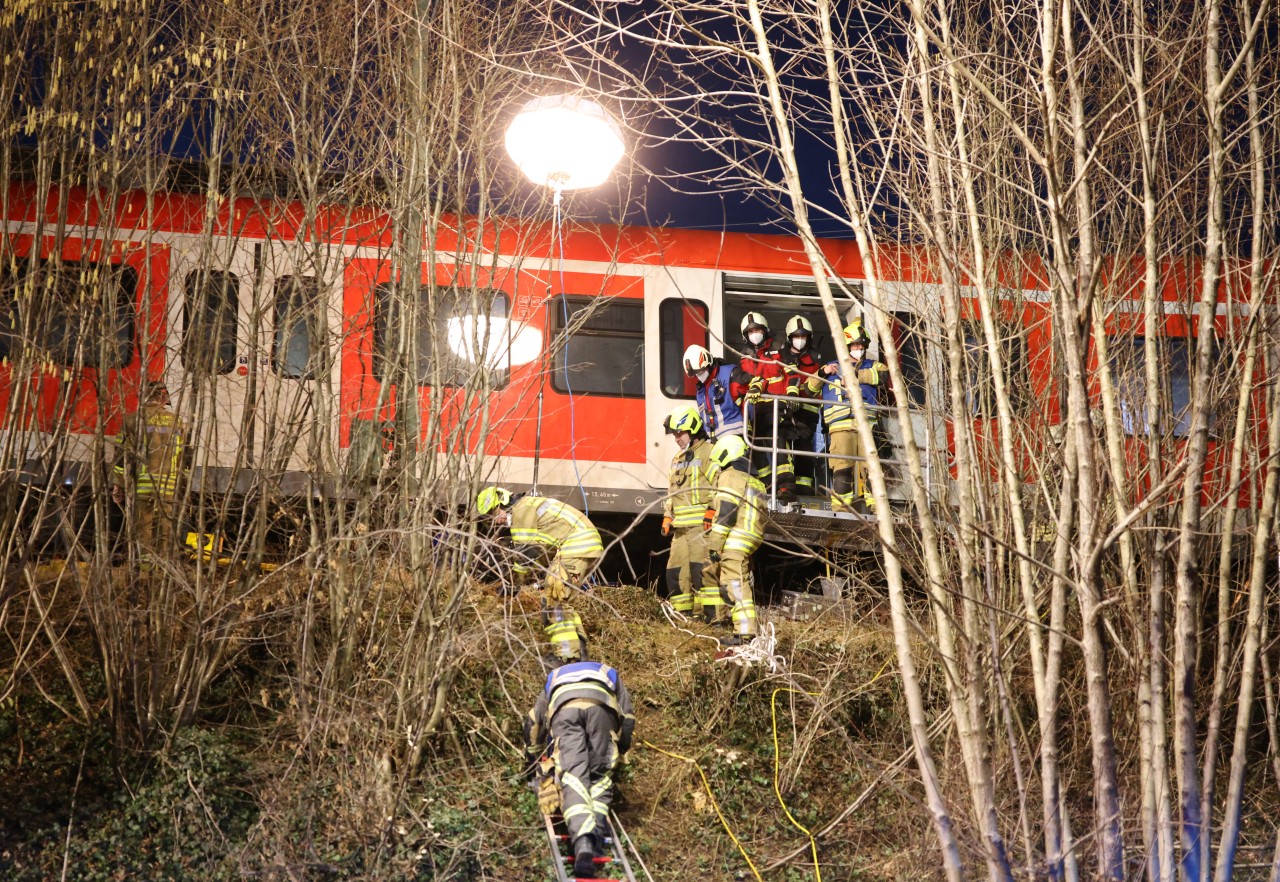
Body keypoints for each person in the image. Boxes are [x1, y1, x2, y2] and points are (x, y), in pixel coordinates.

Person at [525, 659, 635, 879]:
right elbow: (628, 716)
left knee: (574, 776)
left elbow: (535, 721)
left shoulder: (554, 676)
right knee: (599, 775)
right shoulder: (607, 671)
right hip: (602, 712)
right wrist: (620, 747)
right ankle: (596, 835)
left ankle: (583, 843)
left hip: (565, 713)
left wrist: (532, 758)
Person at [476, 487, 603, 663]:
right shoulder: (528, 506)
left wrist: (513, 584)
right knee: (563, 602)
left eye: (493, 513)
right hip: (584, 545)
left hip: (576, 546)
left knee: (553, 601)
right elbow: (540, 550)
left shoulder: (521, 512)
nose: (494, 521)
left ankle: (565, 656)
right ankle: (579, 653)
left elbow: (526, 554)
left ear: (502, 504)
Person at [808, 320, 887, 513]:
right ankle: (841, 509)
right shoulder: (831, 367)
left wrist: (855, 376)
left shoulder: (873, 365)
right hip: (839, 427)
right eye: (854, 345)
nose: (858, 348)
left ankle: (877, 508)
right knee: (842, 468)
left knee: (871, 469)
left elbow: (884, 376)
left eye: (861, 345)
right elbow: (809, 389)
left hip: (867, 426)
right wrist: (822, 372)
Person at [702, 433, 767, 646]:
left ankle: (745, 633)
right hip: (752, 536)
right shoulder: (755, 480)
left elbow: (726, 513)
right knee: (735, 580)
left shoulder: (730, 476)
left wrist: (714, 545)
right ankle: (741, 625)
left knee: (735, 582)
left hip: (736, 537)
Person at [111, 383, 186, 559]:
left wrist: (118, 485)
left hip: (143, 487)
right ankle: (160, 572)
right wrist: (182, 487)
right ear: (163, 398)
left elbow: (121, 456)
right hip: (169, 488)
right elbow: (184, 457)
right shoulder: (177, 422)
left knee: (142, 531)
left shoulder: (132, 420)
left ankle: (143, 571)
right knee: (164, 532)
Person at [660, 404, 715, 620]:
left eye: (679, 433)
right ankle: (681, 615)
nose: (676, 438)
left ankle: (703, 617)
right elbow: (672, 491)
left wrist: (711, 510)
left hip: (701, 527)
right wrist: (667, 515)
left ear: (692, 429)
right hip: (680, 529)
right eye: (674, 434)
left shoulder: (709, 453)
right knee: (675, 572)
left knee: (699, 572)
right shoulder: (678, 459)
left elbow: (719, 485)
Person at [736, 313, 796, 503]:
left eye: (758, 330)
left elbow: (793, 373)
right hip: (755, 410)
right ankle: (766, 487)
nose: (755, 334)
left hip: (776, 405)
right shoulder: (744, 356)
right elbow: (743, 384)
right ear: (746, 335)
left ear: (765, 330)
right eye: (751, 331)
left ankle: (785, 487)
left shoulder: (779, 348)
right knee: (758, 449)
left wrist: (792, 395)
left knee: (779, 445)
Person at [778, 315, 824, 496]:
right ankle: (785, 485)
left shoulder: (815, 358)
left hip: (807, 412)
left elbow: (817, 385)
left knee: (805, 450)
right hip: (786, 410)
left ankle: (804, 485)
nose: (800, 339)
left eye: (804, 336)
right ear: (789, 337)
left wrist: (803, 390)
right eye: (797, 336)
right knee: (783, 449)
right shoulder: (781, 357)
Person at [683, 344, 751, 439]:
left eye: (701, 371)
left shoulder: (729, 375)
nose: (699, 375)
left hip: (736, 439)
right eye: (696, 374)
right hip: (715, 444)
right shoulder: (701, 390)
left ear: (708, 363)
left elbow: (750, 401)